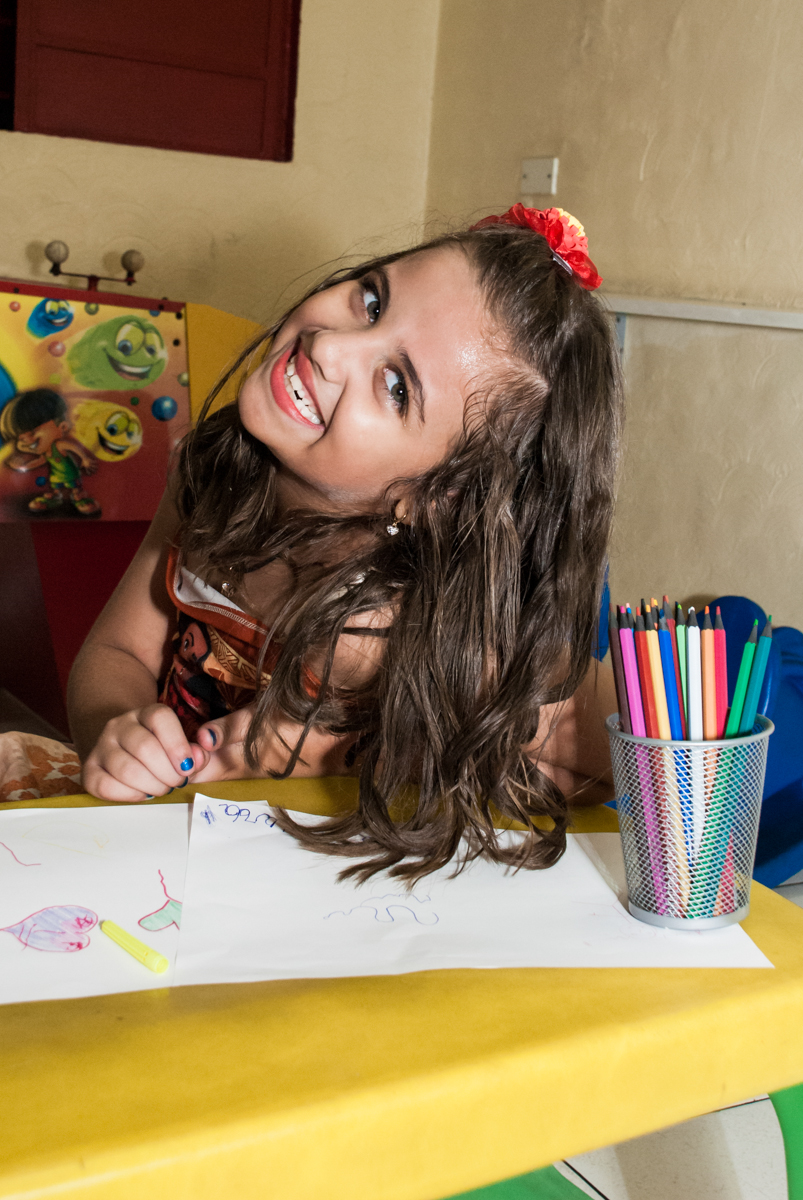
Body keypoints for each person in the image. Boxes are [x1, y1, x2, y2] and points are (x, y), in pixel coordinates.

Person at [18, 206, 624, 881]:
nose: (332, 346)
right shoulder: (207, 471)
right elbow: (119, 652)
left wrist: (359, 752)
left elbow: (620, 744)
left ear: (441, 497)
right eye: (372, 300)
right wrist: (119, 732)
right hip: (153, 860)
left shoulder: (407, 617)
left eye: (396, 385)